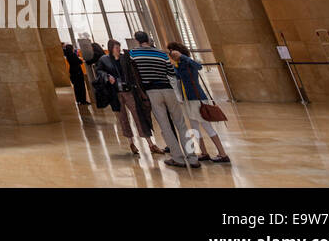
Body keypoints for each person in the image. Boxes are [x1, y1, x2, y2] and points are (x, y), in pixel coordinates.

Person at [130, 31, 198, 169]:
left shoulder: (133, 54)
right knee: (181, 124)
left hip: (152, 91)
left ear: (136, 40)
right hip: (168, 90)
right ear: (148, 40)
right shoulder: (161, 54)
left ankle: (178, 158)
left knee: (165, 126)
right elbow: (171, 72)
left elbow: (133, 73)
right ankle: (192, 158)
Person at [167, 42, 230, 163]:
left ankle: (222, 153)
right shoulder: (179, 64)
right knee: (194, 127)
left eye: (171, 51)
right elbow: (176, 76)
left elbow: (198, 66)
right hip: (188, 100)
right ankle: (204, 152)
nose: (171, 54)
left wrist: (182, 56)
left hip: (196, 98)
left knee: (207, 126)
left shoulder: (187, 61)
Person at [96, 39, 159, 156]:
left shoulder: (125, 58)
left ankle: (150, 143)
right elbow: (99, 71)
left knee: (138, 115)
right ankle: (131, 143)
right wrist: (107, 76)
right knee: (123, 118)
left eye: (118, 47)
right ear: (111, 48)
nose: (118, 50)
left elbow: (133, 73)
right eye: (116, 48)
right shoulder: (104, 60)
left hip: (128, 91)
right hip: (115, 93)